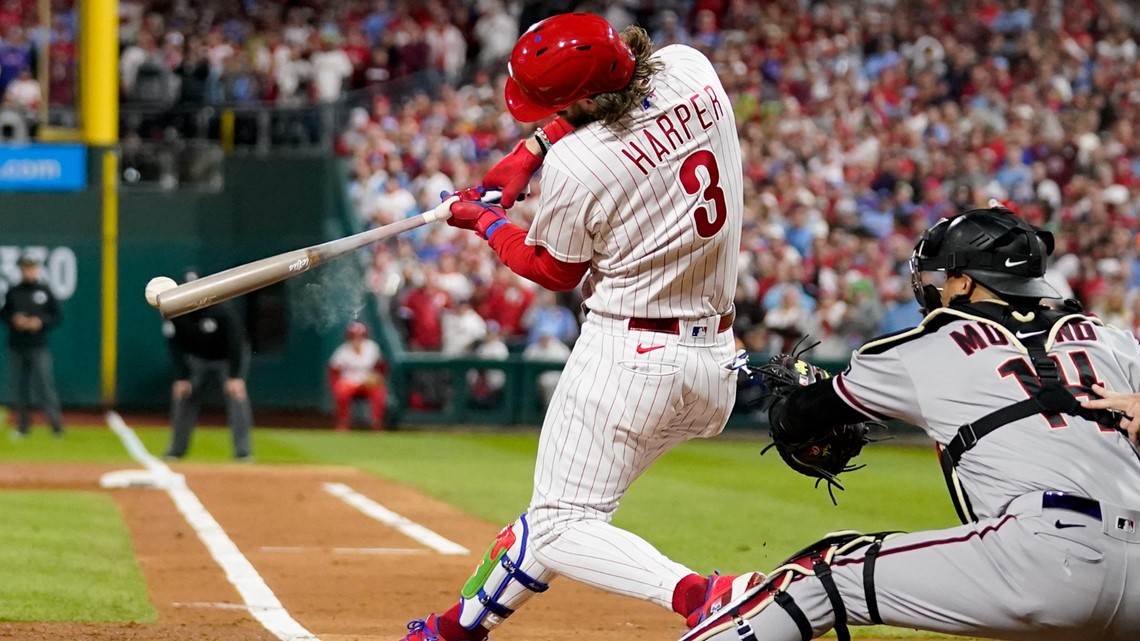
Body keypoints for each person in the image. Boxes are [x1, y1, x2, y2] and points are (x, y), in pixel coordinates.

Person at [400, 13, 759, 641]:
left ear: (583, 98)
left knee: (565, 522)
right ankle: (455, 631)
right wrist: (531, 150)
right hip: (713, 360)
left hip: (629, 356)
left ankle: (702, 595)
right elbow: (620, 101)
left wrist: (482, 221)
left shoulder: (582, 164)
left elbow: (552, 269)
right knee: (563, 517)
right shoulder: (690, 68)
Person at [685, 205, 1140, 641]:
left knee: (824, 574)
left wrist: (794, 400)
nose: (936, 288)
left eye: (944, 277)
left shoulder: (928, 345)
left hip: (1042, 558)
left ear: (964, 283)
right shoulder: (1111, 340)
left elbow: (796, 419)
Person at [162, 271, 254, 461]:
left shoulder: (220, 309)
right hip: (196, 359)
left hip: (225, 359)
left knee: (237, 397)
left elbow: (236, 342)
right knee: (183, 396)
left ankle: (243, 452)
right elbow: (175, 346)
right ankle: (176, 449)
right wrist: (181, 377)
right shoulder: (176, 313)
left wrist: (236, 376)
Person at [0, 253, 63, 438]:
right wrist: (14, 319)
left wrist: (39, 322)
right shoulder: (14, 291)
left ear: (37, 268)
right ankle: (22, 427)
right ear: (21, 269)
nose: (29, 270)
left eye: (32, 266)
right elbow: (4, 314)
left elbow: (57, 316)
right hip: (17, 345)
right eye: (25, 267)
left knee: (44, 386)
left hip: (38, 345)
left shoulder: (44, 290)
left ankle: (56, 426)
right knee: (20, 388)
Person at [328, 320, 387, 431]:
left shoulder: (372, 348)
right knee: (341, 391)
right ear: (349, 336)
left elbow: (381, 367)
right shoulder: (342, 350)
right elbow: (333, 370)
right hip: (349, 381)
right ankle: (343, 422)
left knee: (379, 391)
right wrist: (336, 384)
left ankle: (377, 423)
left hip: (367, 381)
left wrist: (378, 377)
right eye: (353, 335)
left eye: (360, 335)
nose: (357, 337)